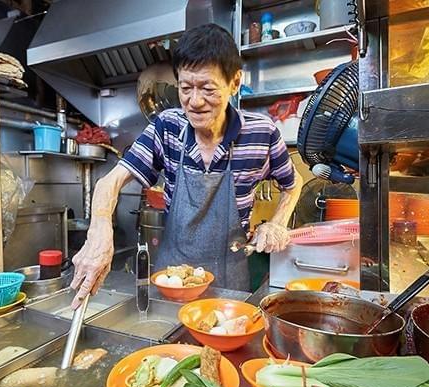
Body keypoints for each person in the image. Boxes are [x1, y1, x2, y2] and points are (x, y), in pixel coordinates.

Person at [70, 23, 302, 307]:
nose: (195, 101)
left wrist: (277, 224)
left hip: (230, 282)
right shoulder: (167, 126)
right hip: (172, 279)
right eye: (185, 87)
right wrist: (99, 231)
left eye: (207, 88)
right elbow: (110, 181)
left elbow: (292, 184)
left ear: (235, 82)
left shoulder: (262, 133)